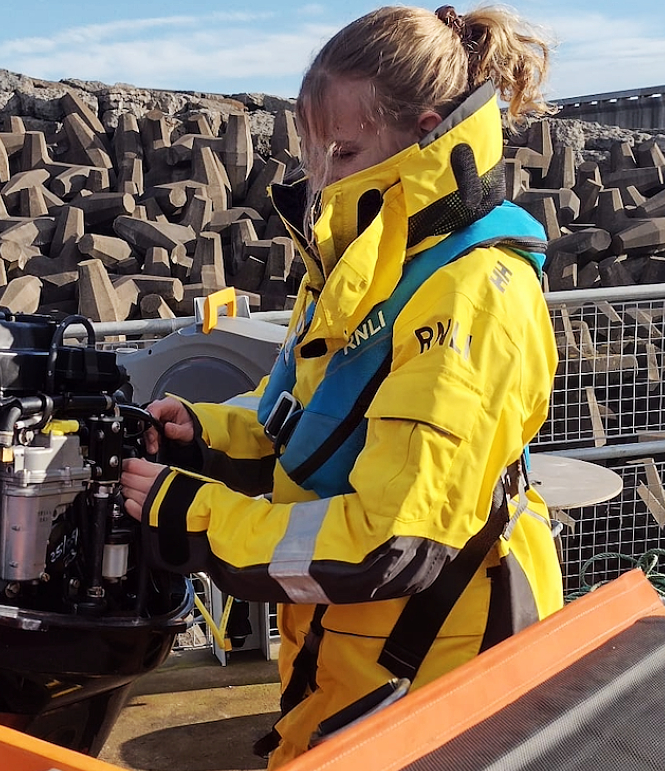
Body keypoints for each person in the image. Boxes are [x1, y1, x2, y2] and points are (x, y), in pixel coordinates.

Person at [121, 4, 563, 766]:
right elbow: (310, 432)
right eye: (314, 151)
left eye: (345, 150)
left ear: (424, 131)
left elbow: (391, 541)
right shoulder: (362, 261)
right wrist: (205, 435)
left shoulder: (471, 294)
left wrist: (191, 513)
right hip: (351, 657)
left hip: (436, 672)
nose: (321, 178)